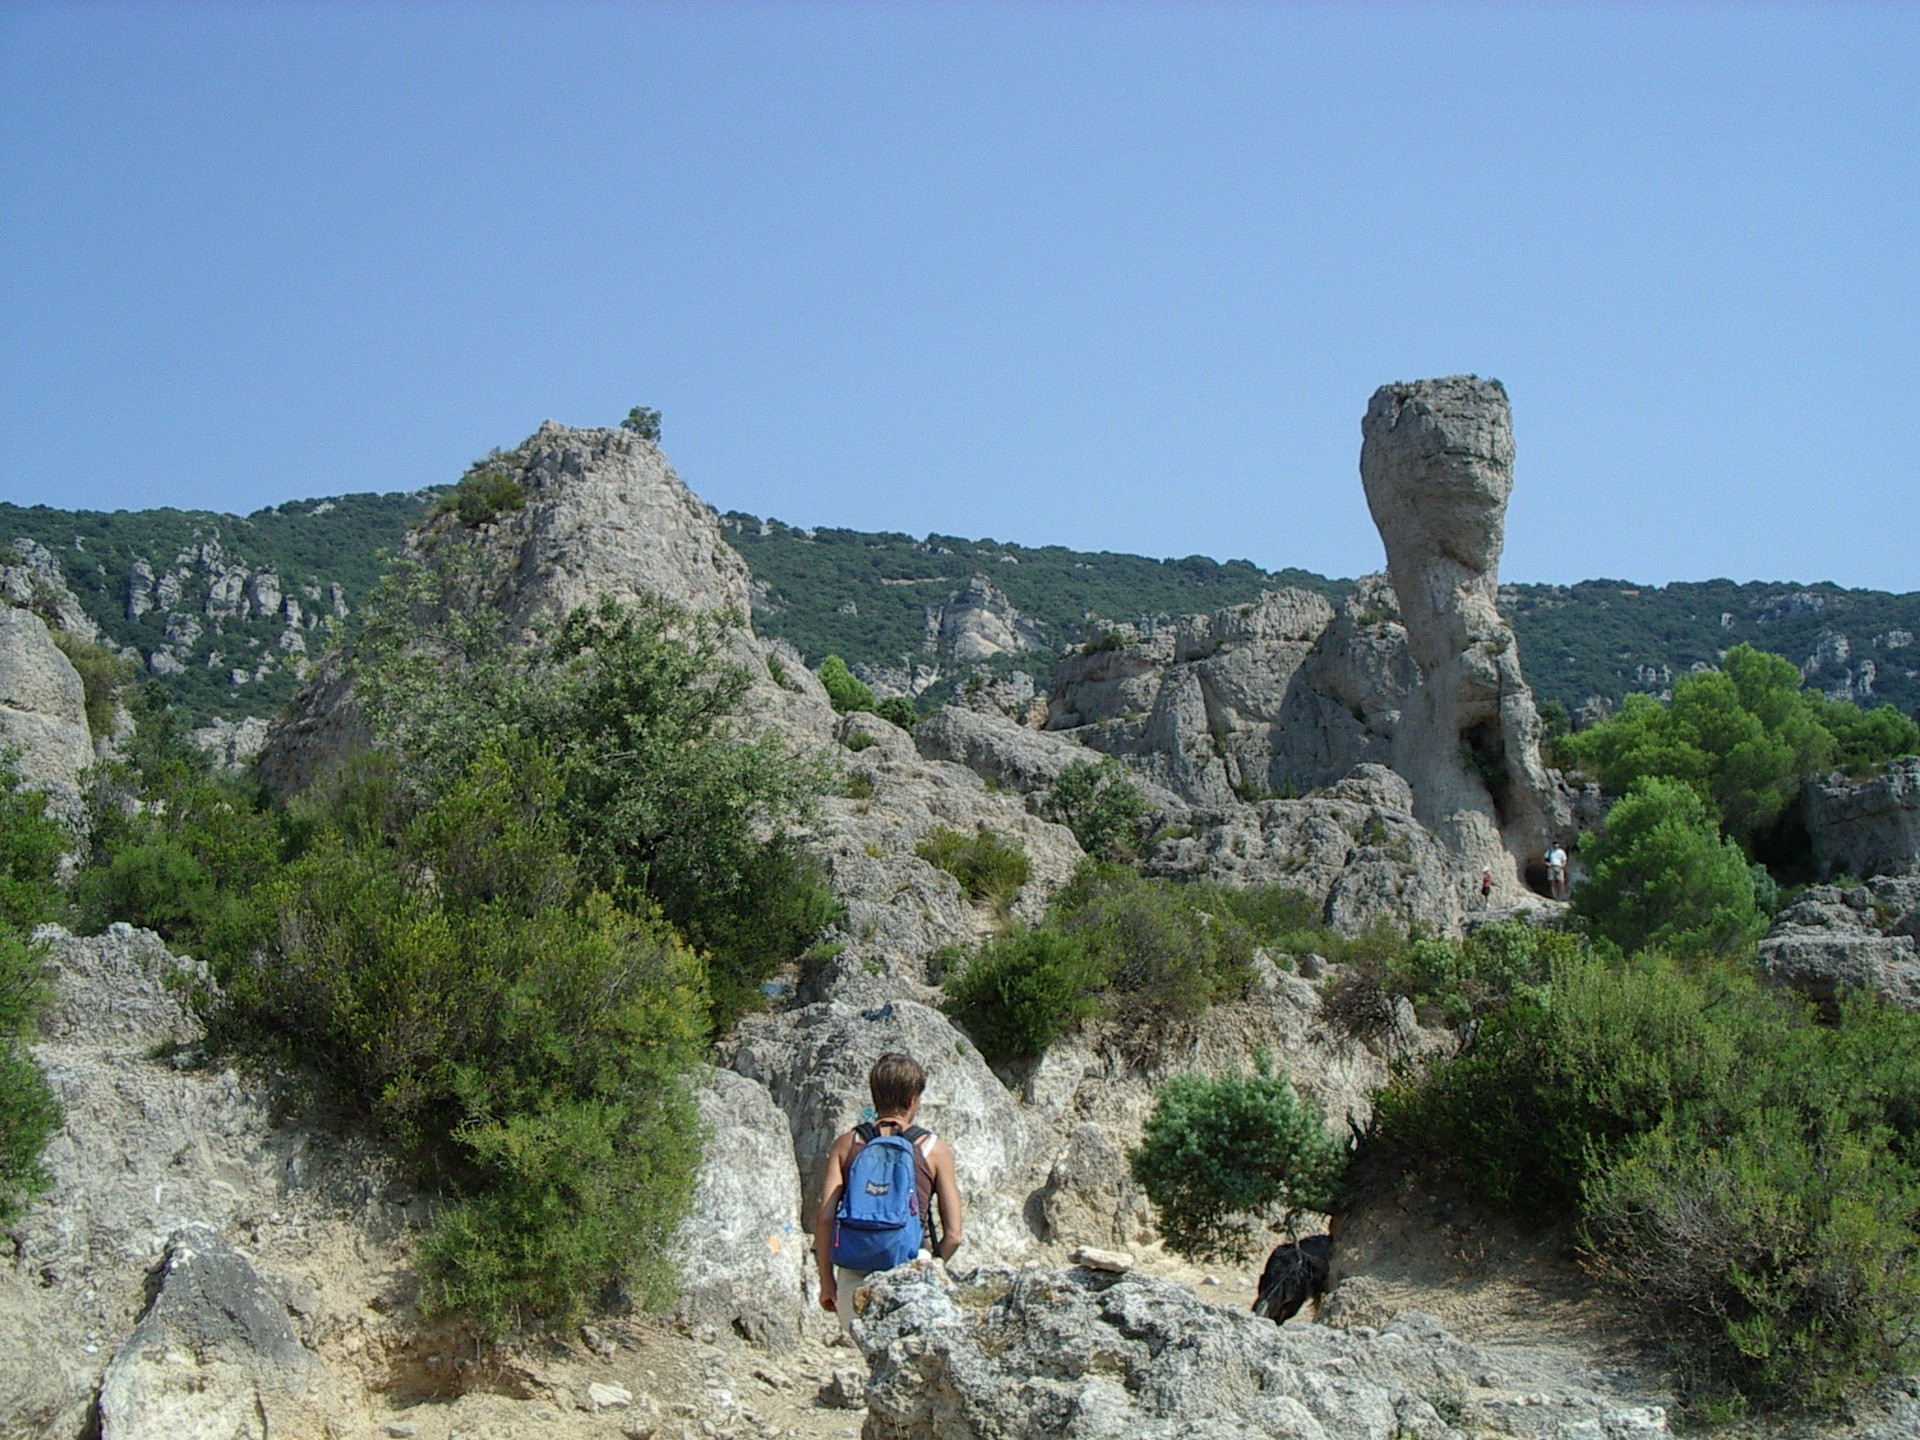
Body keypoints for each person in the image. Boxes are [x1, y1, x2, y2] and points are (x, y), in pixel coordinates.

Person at [815, 1053, 964, 1336]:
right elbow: (954, 1235)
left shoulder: (846, 1145)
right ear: (911, 1100)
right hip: (912, 1273)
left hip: (854, 1279)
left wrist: (827, 1282)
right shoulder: (934, 1149)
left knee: (871, 1357)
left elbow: (825, 1219)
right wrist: (931, 1268)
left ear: (875, 1096)